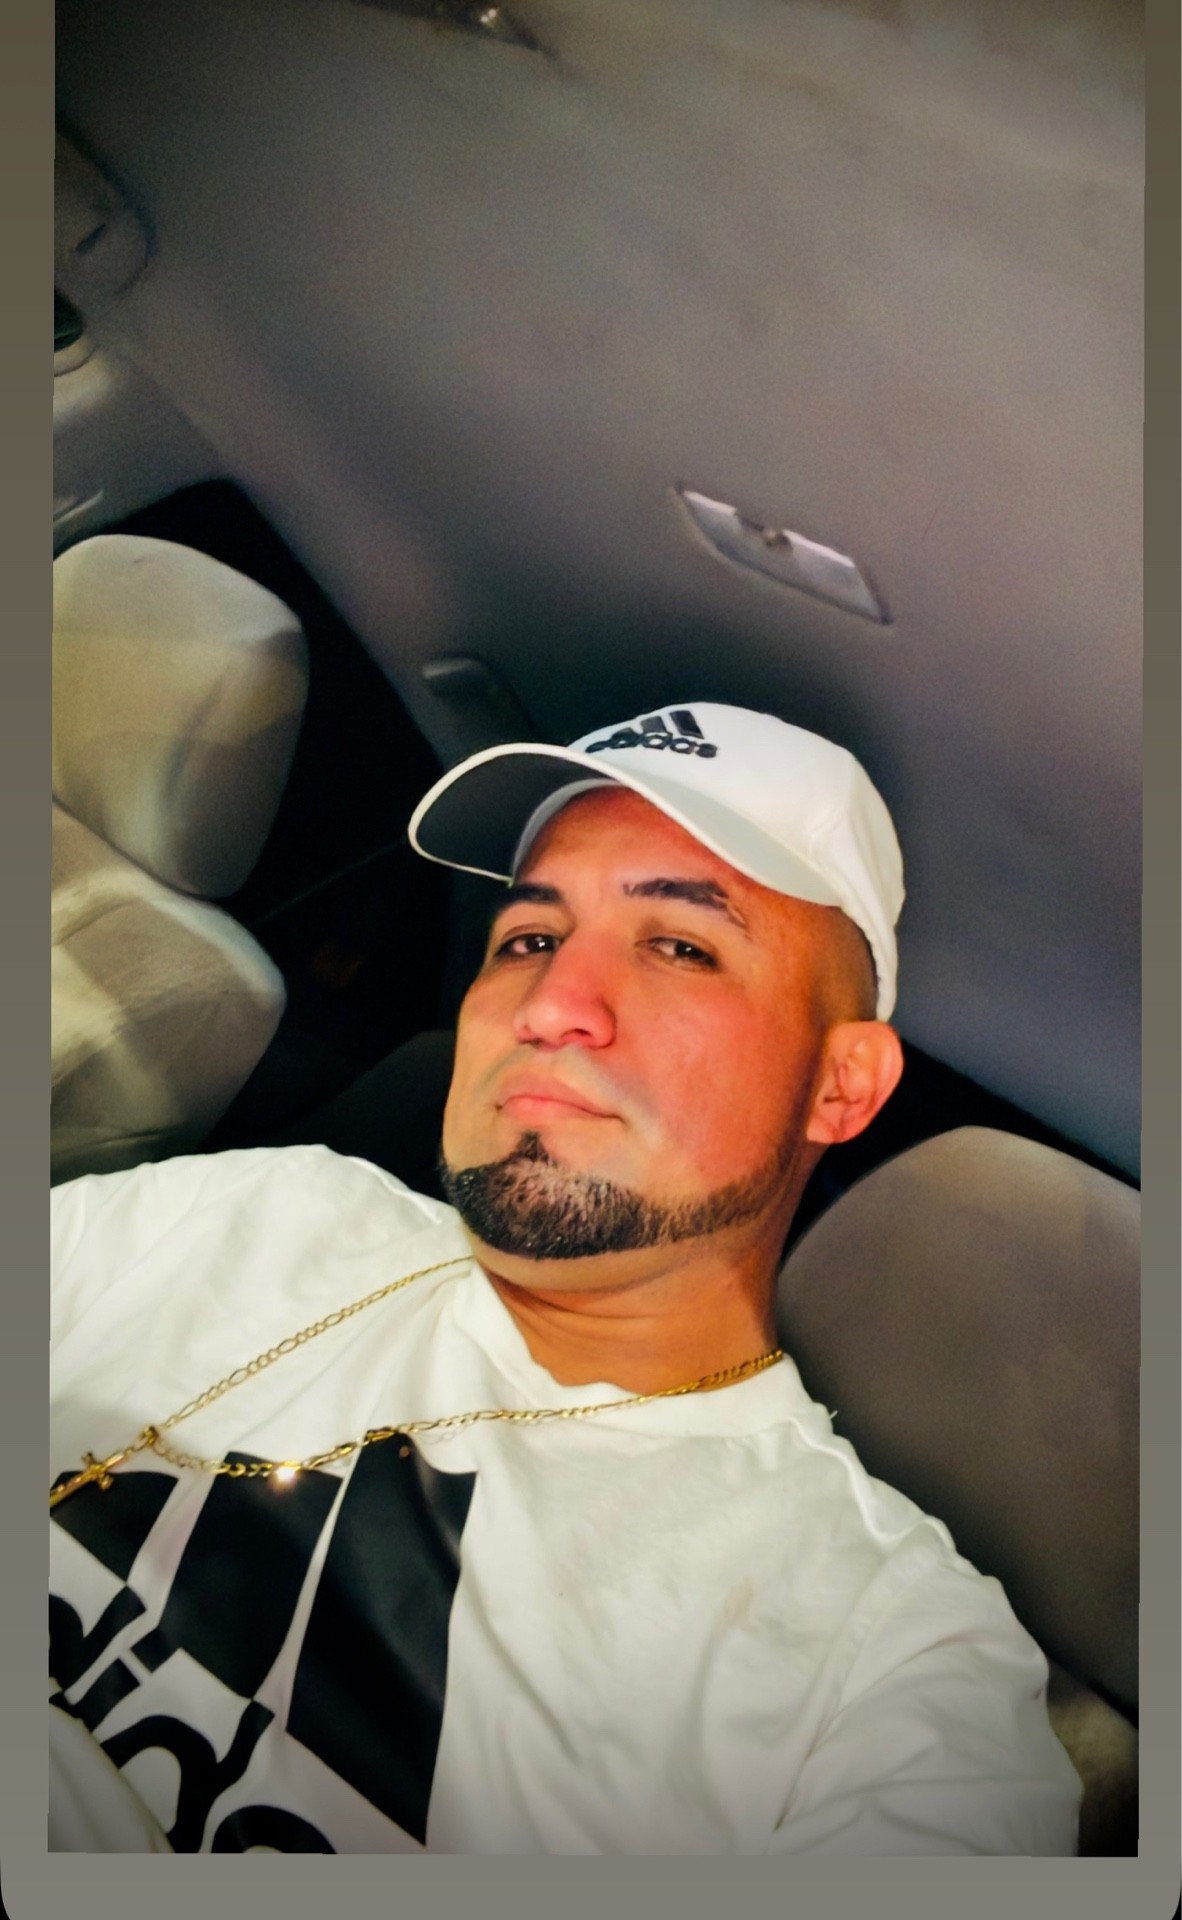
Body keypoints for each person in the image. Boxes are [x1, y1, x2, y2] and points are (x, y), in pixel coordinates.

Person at [49, 701, 1081, 1855]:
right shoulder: (264, 1210)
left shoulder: (887, 1668)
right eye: (529, 940)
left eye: (681, 947)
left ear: (841, 1086)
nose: (549, 1007)